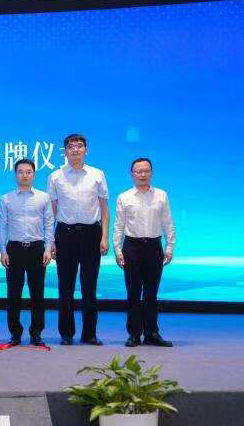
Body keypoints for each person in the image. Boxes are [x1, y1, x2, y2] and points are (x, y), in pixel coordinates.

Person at [47, 134, 109, 346]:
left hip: (92, 234)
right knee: (65, 287)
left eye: (80, 146)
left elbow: (104, 208)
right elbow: (51, 211)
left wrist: (104, 236)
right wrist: (51, 241)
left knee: (90, 286)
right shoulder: (55, 176)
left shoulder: (97, 174)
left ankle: (89, 334)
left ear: (86, 150)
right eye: (71, 147)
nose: (75, 150)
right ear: (65, 151)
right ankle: (66, 334)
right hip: (65, 234)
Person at [114, 158, 175, 347]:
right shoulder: (124, 197)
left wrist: (170, 247)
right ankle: (134, 334)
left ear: (152, 173)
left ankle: (152, 333)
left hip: (154, 247)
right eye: (138, 171)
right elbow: (119, 226)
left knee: (151, 293)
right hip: (132, 248)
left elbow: (168, 222)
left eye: (146, 171)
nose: (143, 174)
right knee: (133, 293)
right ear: (132, 174)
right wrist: (117, 249)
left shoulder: (161, 195)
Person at [0, 158, 54, 347]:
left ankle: (36, 333)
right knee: (13, 294)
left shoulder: (43, 197)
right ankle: (15, 333)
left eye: (28, 172)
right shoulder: (6, 199)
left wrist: (48, 248)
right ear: (15, 175)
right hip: (14, 249)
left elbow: (49, 224)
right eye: (21, 172)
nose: (25, 175)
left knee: (37, 294)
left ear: (34, 174)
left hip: (37, 249)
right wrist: (3, 251)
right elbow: (2, 226)